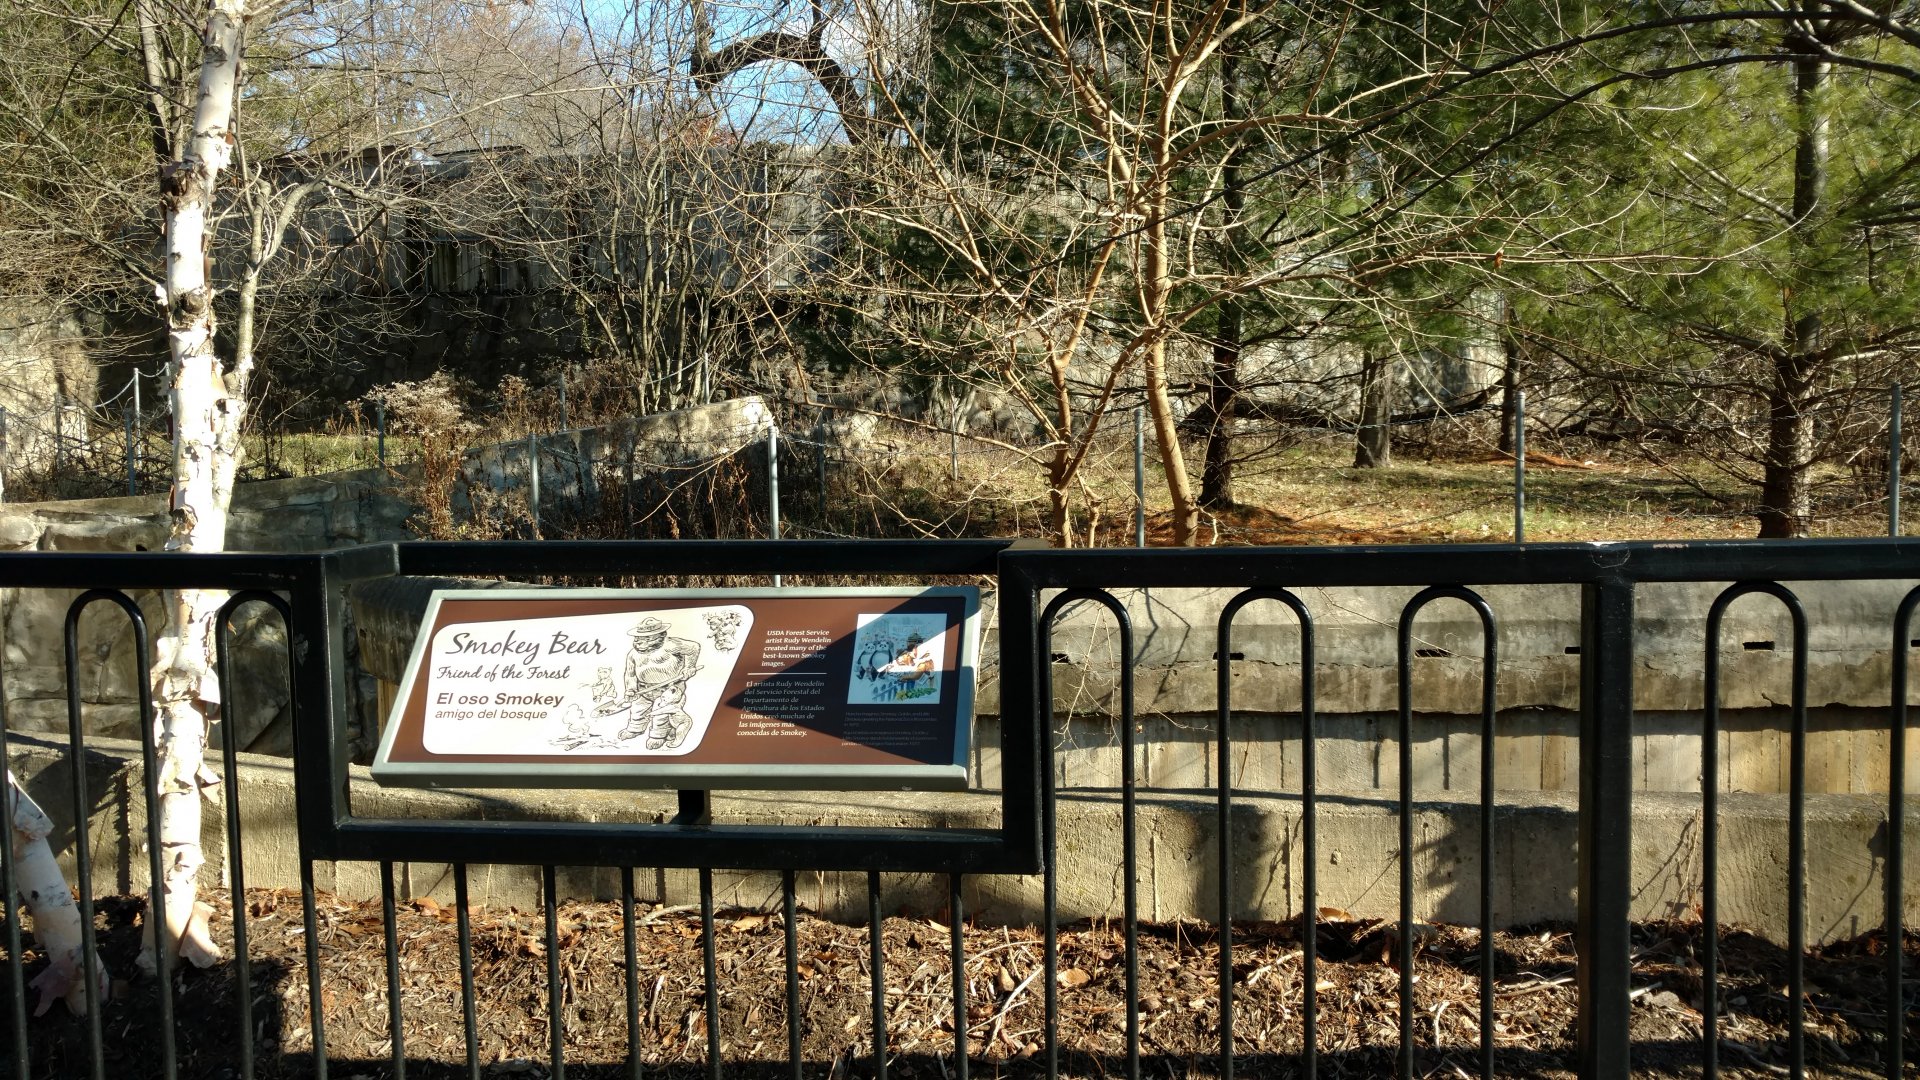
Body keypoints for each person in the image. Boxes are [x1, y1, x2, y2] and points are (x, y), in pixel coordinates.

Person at [620, 617, 703, 749]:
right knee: (638, 710)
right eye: (637, 639)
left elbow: (694, 647)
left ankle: (658, 736)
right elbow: (630, 674)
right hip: (643, 689)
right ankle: (635, 729)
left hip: (669, 690)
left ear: (661, 636)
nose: (640, 643)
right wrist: (630, 689)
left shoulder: (672, 645)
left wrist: (689, 667)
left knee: (662, 713)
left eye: (647, 639)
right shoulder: (632, 654)